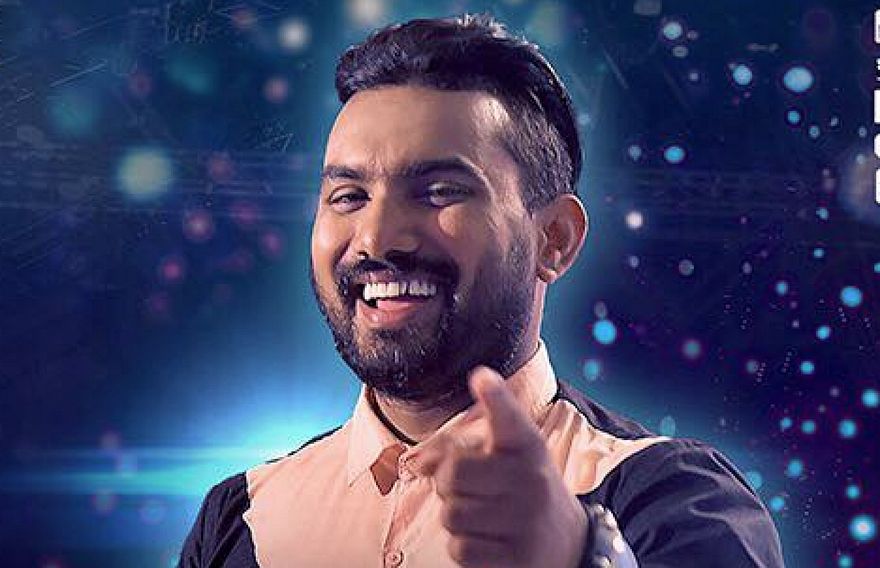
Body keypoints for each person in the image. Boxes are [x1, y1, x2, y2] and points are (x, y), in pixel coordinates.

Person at [178, 14, 784, 568]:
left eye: (440, 192)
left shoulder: (673, 500)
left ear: (554, 239)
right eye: (349, 196)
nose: (377, 237)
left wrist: (579, 556)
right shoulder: (244, 517)